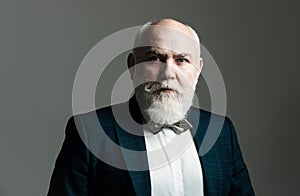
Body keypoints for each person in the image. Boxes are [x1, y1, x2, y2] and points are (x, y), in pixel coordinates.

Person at [48, 19, 255, 196]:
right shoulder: (90, 131)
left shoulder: (222, 132)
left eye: (182, 60)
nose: (168, 73)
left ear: (198, 70)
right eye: (155, 59)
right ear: (132, 65)